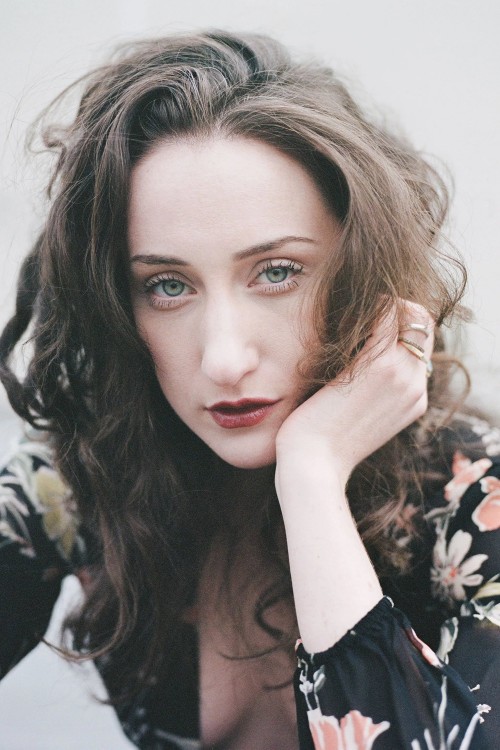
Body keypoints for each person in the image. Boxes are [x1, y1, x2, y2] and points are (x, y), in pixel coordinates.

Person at [0, 30, 499, 750]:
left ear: (363, 271)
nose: (225, 360)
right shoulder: (83, 477)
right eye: (166, 285)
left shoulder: (475, 507)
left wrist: (312, 476)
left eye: (277, 272)